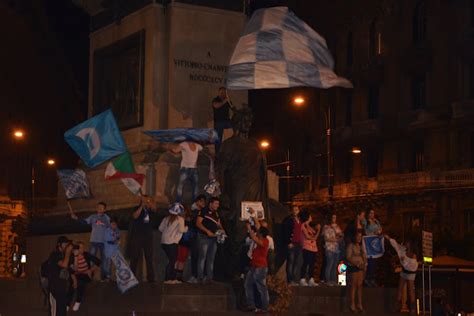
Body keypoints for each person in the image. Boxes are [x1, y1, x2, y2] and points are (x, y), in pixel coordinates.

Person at [70, 202, 110, 280]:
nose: (99, 208)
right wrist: (76, 218)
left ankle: (104, 278)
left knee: (104, 260)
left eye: (101, 207)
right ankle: (90, 276)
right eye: (98, 207)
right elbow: (85, 222)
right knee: (90, 260)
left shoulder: (106, 218)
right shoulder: (93, 217)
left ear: (105, 209)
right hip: (94, 241)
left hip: (104, 242)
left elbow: (109, 227)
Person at [385, 235, 418, 314]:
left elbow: (413, 267)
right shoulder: (402, 250)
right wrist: (387, 237)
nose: (405, 244)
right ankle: (397, 306)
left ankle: (412, 309)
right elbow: (395, 244)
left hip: (411, 273)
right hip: (404, 271)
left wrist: (404, 262)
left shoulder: (413, 256)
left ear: (410, 244)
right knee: (400, 288)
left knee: (411, 290)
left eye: (407, 242)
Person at [196, 197, 224, 284]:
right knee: (202, 257)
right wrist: (207, 231)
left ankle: (209, 278)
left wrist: (222, 230)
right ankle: (200, 278)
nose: (217, 206)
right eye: (216, 204)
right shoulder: (204, 211)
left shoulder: (216, 213)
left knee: (211, 258)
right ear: (210, 203)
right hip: (203, 237)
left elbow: (219, 224)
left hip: (213, 238)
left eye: (218, 204)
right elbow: (198, 223)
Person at [129, 195, 156, 282]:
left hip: (148, 236)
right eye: (144, 199)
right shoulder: (136, 208)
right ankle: (131, 277)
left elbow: (155, 209)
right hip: (137, 236)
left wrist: (148, 202)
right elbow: (135, 216)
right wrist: (141, 206)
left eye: (148, 199)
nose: (146, 201)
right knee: (134, 257)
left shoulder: (150, 210)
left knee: (149, 257)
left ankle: (150, 278)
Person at [159, 203, 188, 284]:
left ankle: (172, 278)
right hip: (172, 242)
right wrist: (186, 228)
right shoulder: (180, 219)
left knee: (172, 260)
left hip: (164, 242)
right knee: (173, 260)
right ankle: (168, 279)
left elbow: (160, 229)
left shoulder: (166, 218)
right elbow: (182, 230)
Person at [244, 227, 271, 314]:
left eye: (259, 232)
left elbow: (255, 239)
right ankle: (251, 305)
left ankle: (265, 307)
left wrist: (249, 229)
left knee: (261, 287)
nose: (257, 233)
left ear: (261, 234)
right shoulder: (260, 240)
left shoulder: (265, 241)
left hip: (261, 267)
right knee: (248, 284)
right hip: (254, 266)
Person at [68, 242, 100, 312]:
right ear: (76, 249)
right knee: (71, 283)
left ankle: (78, 301)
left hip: (86, 274)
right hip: (76, 274)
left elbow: (98, 262)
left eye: (83, 247)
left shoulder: (86, 254)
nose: (82, 249)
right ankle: (67, 304)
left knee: (81, 283)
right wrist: (73, 278)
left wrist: (90, 270)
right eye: (80, 248)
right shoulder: (72, 256)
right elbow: (70, 270)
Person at [47, 236, 74, 316]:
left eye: (67, 243)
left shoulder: (66, 256)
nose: (66, 245)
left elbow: (74, 268)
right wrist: (68, 253)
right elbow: (64, 265)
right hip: (55, 289)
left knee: (62, 313)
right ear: (59, 245)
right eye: (65, 243)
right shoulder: (54, 255)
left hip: (63, 289)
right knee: (55, 313)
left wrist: (75, 255)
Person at [187, 195, 206, 283]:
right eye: (201, 201)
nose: (203, 203)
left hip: (200, 236)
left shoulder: (202, 211)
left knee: (201, 256)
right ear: (197, 202)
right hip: (195, 236)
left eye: (204, 202)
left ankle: (200, 275)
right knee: (195, 256)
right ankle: (194, 275)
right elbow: (193, 223)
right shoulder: (194, 211)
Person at [346, 231, 367, 313]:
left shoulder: (361, 247)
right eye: (358, 236)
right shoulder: (351, 246)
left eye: (360, 237)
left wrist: (364, 264)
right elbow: (348, 257)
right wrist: (356, 264)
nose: (359, 238)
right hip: (353, 267)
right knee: (354, 285)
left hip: (361, 268)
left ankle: (360, 304)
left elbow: (364, 256)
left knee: (360, 286)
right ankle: (352, 304)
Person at [282, 205, 303, 285]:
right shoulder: (289, 220)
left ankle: (294, 279)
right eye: (294, 210)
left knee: (296, 262)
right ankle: (290, 280)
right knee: (291, 261)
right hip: (292, 243)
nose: (295, 211)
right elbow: (286, 231)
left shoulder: (299, 220)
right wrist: (288, 242)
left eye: (296, 209)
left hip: (298, 243)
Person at [299, 210, 321, 287]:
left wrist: (316, 231)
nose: (311, 217)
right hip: (307, 247)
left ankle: (311, 279)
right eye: (310, 216)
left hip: (313, 248)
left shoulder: (310, 226)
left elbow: (314, 237)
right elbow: (308, 237)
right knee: (306, 263)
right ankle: (302, 278)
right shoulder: (303, 226)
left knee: (312, 264)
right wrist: (318, 231)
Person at [322, 213, 343, 286]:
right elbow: (326, 238)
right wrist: (335, 239)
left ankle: (333, 280)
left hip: (336, 249)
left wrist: (338, 238)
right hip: (329, 248)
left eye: (335, 217)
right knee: (329, 264)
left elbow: (341, 236)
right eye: (333, 217)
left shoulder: (337, 227)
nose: (334, 219)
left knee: (335, 265)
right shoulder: (326, 227)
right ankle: (328, 280)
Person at [174, 206, 195, 282]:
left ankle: (178, 277)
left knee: (182, 259)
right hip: (179, 242)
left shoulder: (187, 220)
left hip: (185, 242)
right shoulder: (178, 219)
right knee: (178, 259)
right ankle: (175, 276)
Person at [363, 209, 382, 287]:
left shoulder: (376, 221)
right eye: (371, 213)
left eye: (373, 213)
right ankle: (368, 278)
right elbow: (364, 231)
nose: (372, 214)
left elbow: (380, 229)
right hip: (368, 243)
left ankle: (372, 278)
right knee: (370, 261)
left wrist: (378, 233)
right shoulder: (365, 221)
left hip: (375, 243)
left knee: (374, 262)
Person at [212, 87, 235, 152]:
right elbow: (216, 106)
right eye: (222, 92)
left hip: (227, 121)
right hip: (218, 122)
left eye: (225, 93)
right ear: (219, 93)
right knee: (218, 139)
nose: (223, 94)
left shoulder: (227, 100)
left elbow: (233, 108)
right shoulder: (216, 99)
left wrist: (231, 104)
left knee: (236, 125)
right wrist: (225, 101)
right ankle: (217, 154)